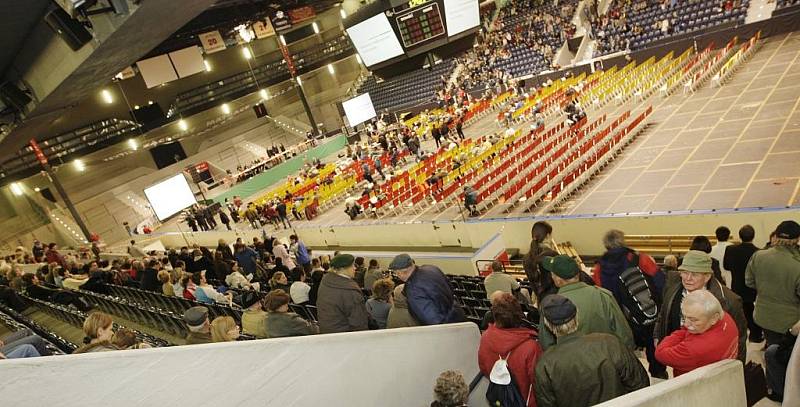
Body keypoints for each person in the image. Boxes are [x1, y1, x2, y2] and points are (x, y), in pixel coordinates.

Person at [534, 295, 649, 407]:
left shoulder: (545, 364)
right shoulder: (609, 343)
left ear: (548, 325)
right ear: (577, 316)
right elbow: (640, 383)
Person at [654, 250, 747, 368]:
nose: (688, 278)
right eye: (684, 272)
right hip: (678, 351)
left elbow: (740, 340)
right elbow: (663, 312)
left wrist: (737, 369)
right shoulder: (672, 286)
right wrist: (657, 335)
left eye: (695, 274)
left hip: (706, 363)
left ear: (707, 276)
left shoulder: (729, 300)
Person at [593, 229, 664, 376]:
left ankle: (635, 379)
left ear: (606, 245)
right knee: (653, 347)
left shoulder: (599, 267)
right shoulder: (639, 259)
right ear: (623, 241)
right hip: (644, 311)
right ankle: (659, 376)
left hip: (620, 317)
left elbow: (600, 293)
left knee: (626, 351)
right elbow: (660, 282)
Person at [537, 255, 634, 351]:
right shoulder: (603, 295)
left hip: (572, 363)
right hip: (606, 359)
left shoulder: (550, 306)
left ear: (558, 279)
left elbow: (547, 345)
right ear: (578, 274)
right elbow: (624, 335)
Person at [655, 290, 739, 376]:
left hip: (693, 385)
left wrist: (681, 333)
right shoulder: (726, 318)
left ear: (714, 318)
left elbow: (660, 353)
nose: (686, 324)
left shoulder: (693, 349)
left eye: (694, 320)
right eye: (684, 317)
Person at [478, 293, 541, 407]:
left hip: (500, 399)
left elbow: (484, 367)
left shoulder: (485, 337)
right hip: (526, 401)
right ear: (519, 315)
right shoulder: (531, 346)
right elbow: (538, 383)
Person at [746, 220, 800, 346]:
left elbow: (749, 282)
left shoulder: (759, 255)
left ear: (776, 236)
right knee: (788, 359)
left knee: (772, 351)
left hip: (764, 316)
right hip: (790, 322)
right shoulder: (797, 264)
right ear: (797, 239)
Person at [389, 254, 465, 325]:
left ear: (400, 273)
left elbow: (432, 320)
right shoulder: (431, 268)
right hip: (457, 314)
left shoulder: (413, 290)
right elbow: (450, 288)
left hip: (447, 327)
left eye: (396, 273)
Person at [724, 224, 762, 342]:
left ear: (740, 236)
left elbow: (726, 266)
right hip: (752, 287)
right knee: (752, 311)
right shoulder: (758, 252)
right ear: (753, 236)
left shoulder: (731, 249)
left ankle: (739, 334)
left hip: (737, 285)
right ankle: (755, 334)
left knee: (740, 311)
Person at [316, 254, 370, 333]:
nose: (355, 268)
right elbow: (359, 323)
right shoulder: (350, 291)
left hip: (326, 332)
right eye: (352, 266)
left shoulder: (325, 282)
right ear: (342, 269)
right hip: (344, 337)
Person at [522, 221, 560, 301]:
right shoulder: (552, 254)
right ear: (548, 236)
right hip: (556, 299)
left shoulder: (526, 258)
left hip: (540, 300)